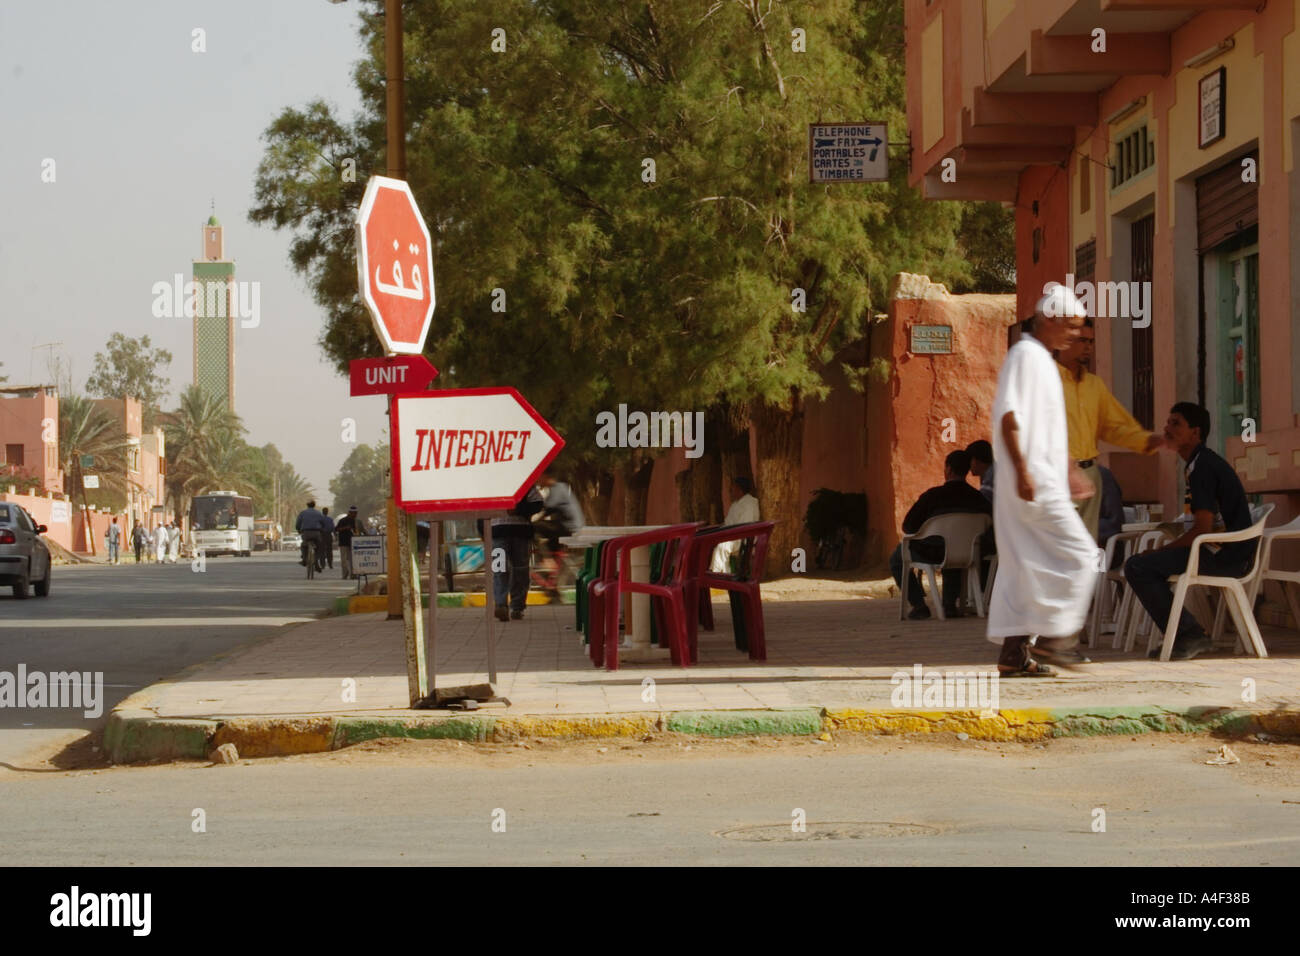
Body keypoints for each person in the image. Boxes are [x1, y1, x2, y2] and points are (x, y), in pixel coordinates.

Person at [987, 284, 1099, 677]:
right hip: (1033, 483)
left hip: (1040, 479)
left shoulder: (1041, 361)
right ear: (1049, 319)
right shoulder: (1025, 357)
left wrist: (1069, 470)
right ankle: (1056, 640)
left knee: (1028, 565)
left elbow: (1048, 430)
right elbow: (1009, 418)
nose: (1074, 334)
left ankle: (1014, 655)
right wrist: (1021, 472)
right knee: (1082, 555)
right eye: (1070, 326)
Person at [1124, 402, 1253, 661]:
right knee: (1144, 564)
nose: (1167, 428)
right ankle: (1188, 632)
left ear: (1195, 433)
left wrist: (1163, 550)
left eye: (1176, 424)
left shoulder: (1203, 467)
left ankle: (1189, 634)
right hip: (1219, 550)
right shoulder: (1197, 464)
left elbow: (1201, 529)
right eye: (1168, 422)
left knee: (1138, 567)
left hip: (1227, 557)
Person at [1055, 318, 1163, 541]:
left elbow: (1113, 427)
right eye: (1081, 340)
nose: (1088, 347)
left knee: (1085, 554)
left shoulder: (1094, 385)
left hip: (1090, 474)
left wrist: (1148, 440)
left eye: (1091, 341)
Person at [890, 449, 991, 619]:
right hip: (970, 554)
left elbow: (908, 526)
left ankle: (918, 604)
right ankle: (949, 605)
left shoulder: (932, 496)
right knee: (954, 549)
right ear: (966, 470)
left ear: (949, 470)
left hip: (932, 553)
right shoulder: (978, 498)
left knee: (897, 558)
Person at [490, 486, 544, 621]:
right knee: (499, 568)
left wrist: (519, 510)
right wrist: (482, 530)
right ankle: (501, 605)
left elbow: (538, 503)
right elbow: (480, 508)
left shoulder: (525, 483)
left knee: (520, 569)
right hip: (497, 533)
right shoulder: (489, 483)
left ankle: (517, 607)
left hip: (520, 532)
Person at [710, 476, 761, 573]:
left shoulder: (750, 503)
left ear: (739, 489)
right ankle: (720, 573)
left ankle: (720, 576)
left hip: (743, 539)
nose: (731, 490)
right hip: (732, 536)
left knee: (722, 547)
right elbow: (728, 523)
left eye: (733, 488)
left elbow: (746, 526)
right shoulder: (735, 504)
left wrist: (727, 535)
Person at [534, 467, 586, 553]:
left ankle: (547, 560)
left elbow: (548, 508)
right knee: (549, 544)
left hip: (569, 527)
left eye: (538, 477)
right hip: (568, 526)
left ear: (544, 476)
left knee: (532, 528)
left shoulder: (558, 488)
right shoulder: (559, 488)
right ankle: (553, 559)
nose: (537, 480)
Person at [295, 500, 326, 570]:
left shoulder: (303, 513)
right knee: (319, 546)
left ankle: (304, 560)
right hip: (316, 533)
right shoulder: (318, 513)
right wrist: (322, 529)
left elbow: (298, 523)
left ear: (307, 505)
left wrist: (298, 530)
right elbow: (323, 523)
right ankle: (316, 560)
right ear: (314, 505)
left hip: (306, 533)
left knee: (303, 545)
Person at [335, 505, 359, 580]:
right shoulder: (342, 520)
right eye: (354, 513)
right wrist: (345, 528)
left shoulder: (354, 521)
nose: (355, 515)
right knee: (344, 560)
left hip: (352, 542)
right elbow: (336, 529)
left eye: (356, 513)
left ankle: (353, 574)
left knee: (352, 559)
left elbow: (355, 531)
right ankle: (345, 574)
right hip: (343, 542)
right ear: (350, 513)